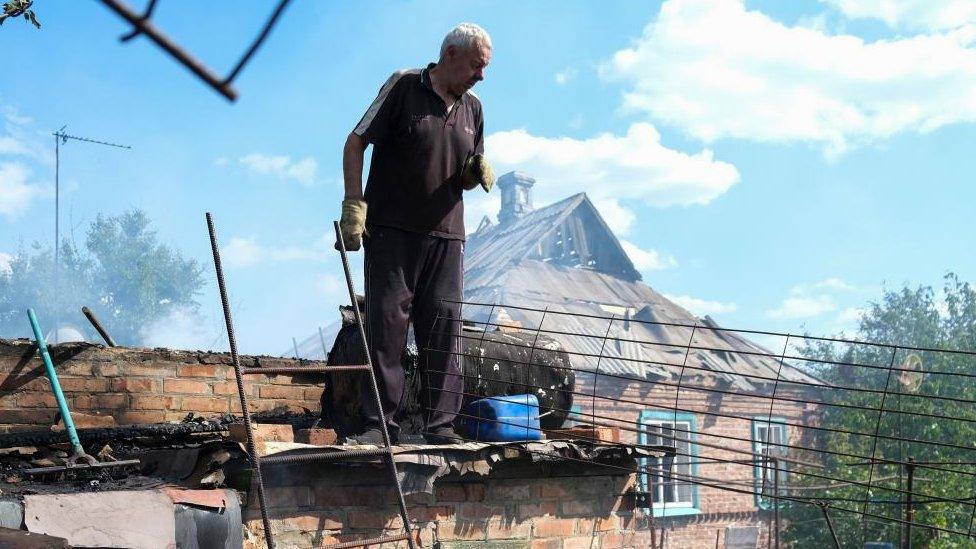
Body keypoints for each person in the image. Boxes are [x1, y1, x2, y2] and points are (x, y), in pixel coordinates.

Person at [337, 23, 495, 445]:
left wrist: (472, 173)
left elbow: (465, 169)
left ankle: (440, 427)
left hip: (447, 236)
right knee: (387, 327)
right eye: (477, 66)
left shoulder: (474, 108)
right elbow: (355, 143)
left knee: (444, 329)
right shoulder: (404, 86)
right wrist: (354, 204)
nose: (481, 76)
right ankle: (379, 427)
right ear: (450, 54)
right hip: (392, 231)